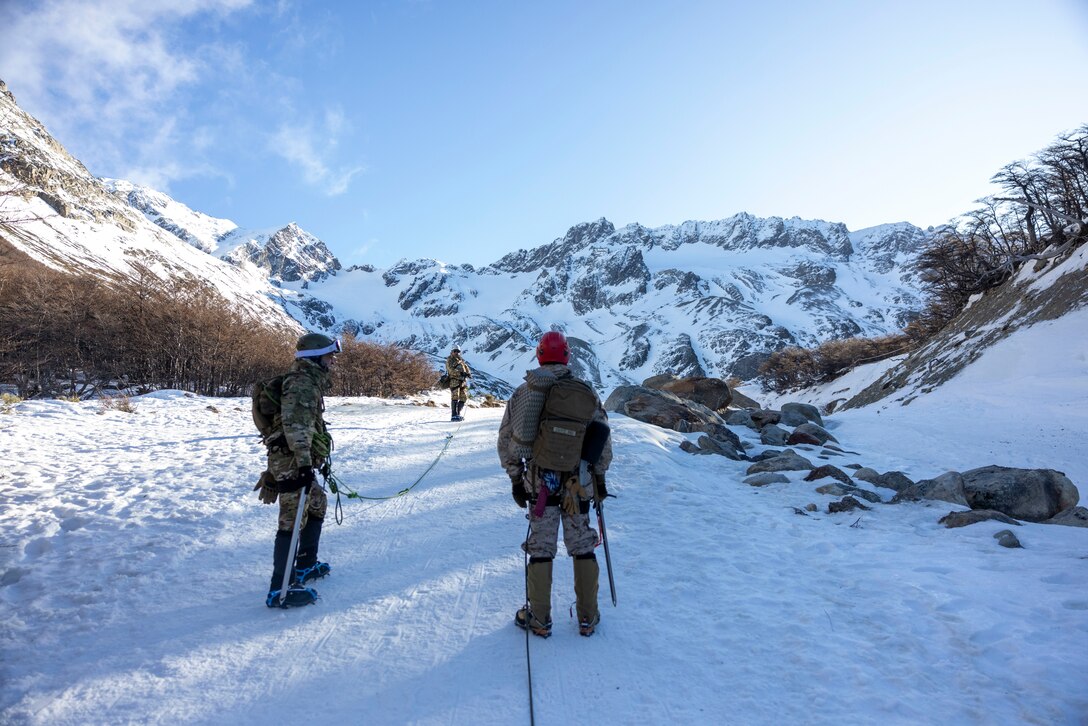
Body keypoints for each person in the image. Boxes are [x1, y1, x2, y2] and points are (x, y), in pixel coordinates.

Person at [497, 330, 612, 637]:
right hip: (579, 483)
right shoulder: (585, 392)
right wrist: (598, 479)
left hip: (540, 483)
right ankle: (588, 617)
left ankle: (538, 618)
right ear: (567, 356)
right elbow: (602, 440)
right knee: (582, 544)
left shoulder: (526, 392)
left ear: (539, 356)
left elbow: (507, 440)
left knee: (541, 546)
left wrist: (515, 479)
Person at [260, 332, 339, 608]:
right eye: (330, 356)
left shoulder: (309, 381)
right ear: (315, 357)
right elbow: (297, 427)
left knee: (317, 503)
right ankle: (281, 587)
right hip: (292, 459)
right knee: (292, 519)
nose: (332, 361)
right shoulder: (302, 383)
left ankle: (305, 563)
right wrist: (305, 466)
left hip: (296, 457)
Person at [445, 346, 472, 421]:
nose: (457, 352)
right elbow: (450, 370)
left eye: (458, 351)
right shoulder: (449, 359)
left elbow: (466, 368)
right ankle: (454, 415)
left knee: (464, 397)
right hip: (454, 381)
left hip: (462, 382)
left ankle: (458, 414)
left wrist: (468, 374)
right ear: (452, 351)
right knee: (455, 397)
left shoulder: (461, 360)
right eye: (455, 351)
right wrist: (461, 373)